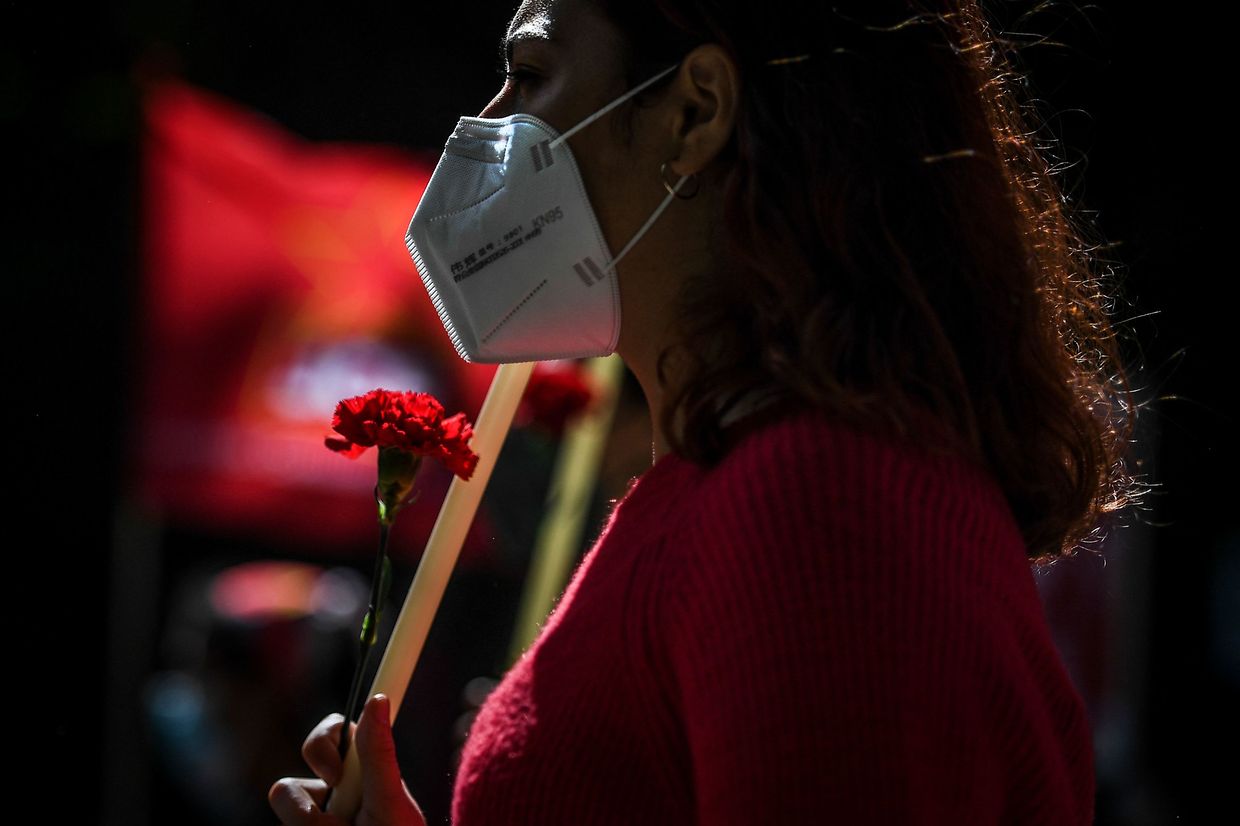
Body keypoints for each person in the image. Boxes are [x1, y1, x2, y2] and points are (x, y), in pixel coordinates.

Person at [269, 0, 1143, 823]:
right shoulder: (737, 486)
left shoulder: (822, 507)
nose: (489, 121)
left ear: (694, 114)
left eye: (532, 76)